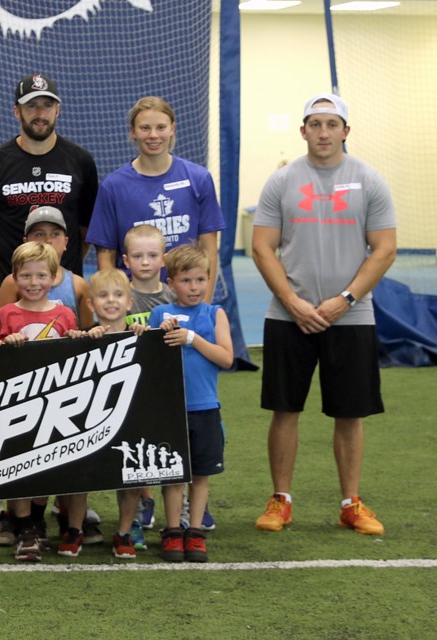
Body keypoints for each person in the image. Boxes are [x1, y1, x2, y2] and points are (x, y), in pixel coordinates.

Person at [252, 93, 396, 536]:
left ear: (346, 131)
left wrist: (345, 300)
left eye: (332, 124)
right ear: (303, 131)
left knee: (349, 413)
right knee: (284, 408)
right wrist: (293, 302)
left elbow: (384, 248)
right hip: (288, 317)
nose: (323, 132)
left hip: (350, 317)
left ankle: (351, 503)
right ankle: (281, 500)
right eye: (315, 124)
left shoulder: (369, 180)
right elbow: (262, 246)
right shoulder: (282, 181)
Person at [0, 241, 81, 561]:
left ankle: (37, 519)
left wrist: (77, 339)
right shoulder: (5, 314)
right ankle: (24, 525)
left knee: (47, 464)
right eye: (26, 276)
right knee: (21, 467)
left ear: (54, 277)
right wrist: (3, 342)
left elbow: (74, 357)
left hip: (56, 404)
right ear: (14, 277)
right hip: (20, 406)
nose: (34, 283)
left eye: (41, 275)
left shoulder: (65, 315)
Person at [0, 73, 98, 311]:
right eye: (31, 106)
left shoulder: (80, 161)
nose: (40, 114)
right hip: (9, 291)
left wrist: (56, 266)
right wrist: (11, 270)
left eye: (47, 105)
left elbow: (85, 232)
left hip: (64, 294)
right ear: (16, 111)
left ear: (58, 109)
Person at [86, 96, 225, 301]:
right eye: (145, 128)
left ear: (172, 129)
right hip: (135, 303)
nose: (153, 135)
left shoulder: (198, 178)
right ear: (133, 132)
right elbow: (105, 257)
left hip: (186, 298)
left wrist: (202, 307)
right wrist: (117, 304)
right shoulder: (113, 186)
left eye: (161, 127)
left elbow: (209, 251)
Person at [149, 245, 233, 563]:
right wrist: (159, 334)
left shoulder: (215, 314)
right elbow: (151, 360)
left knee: (200, 475)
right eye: (186, 280)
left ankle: (194, 532)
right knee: (174, 475)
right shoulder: (160, 314)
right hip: (171, 409)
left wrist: (192, 338)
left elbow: (226, 357)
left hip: (206, 408)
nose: (194, 287)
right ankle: (172, 532)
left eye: (200, 280)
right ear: (171, 283)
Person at [81, 268, 147, 559]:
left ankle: (124, 531)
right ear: (91, 304)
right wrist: (86, 338)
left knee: (131, 477)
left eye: (118, 295)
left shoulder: (141, 336)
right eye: (103, 295)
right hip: (92, 421)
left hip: (131, 417)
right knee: (79, 473)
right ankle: (74, 529)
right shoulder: (87, 337)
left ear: (130, 302)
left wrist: (144, 336)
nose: (111, 301)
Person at [122, 222, 177, 541]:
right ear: (125, 260)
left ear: (163, 259)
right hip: (131, 386)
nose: (145, 262)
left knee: (170, 445)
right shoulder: (120, 294)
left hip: (165, 387)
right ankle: (144, 504)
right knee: (138, 449)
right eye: (138, 255)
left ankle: (181, 506)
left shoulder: (173, 296)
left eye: (152, 255)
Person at [0, 205, 93, 328]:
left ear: (66, 242)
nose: (48, 240)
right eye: (39, 234)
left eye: (55, 234)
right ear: (26, 242)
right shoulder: (11, 283)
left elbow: (88, 337)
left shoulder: (79, 285)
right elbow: (0, 331)